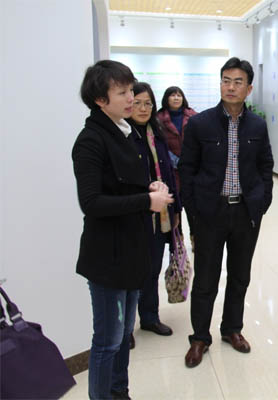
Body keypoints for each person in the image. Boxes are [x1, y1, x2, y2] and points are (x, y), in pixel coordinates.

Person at [73, 60, 174, 399]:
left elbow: (123, 186)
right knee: (108, 341)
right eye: (122, 92)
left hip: (132, 251)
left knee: (123, 338)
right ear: (100, 99)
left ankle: (119, 392)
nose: (131, 98)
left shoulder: (124, 132)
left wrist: (150, 188)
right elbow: (92, 203)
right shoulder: (90, 140)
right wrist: (146, 201)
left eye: (131, 89)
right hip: (108, 257)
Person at [179, 57, 274, 368]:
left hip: (246, 211)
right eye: (226, 80)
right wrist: (193, 211)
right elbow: (187, 169)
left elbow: (265, 165)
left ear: (249, 88)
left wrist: (261, 202)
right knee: (206, 278)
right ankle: (199, 337)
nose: (231, 87)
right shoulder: (200, 124)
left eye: (238, 82)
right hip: (210, 211)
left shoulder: (257, 125)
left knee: (240, 276)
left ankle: (232, 329)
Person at [128, 82, 181, 338]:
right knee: (131, 272)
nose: (142, 108)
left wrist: (176, 208)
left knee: (152, 268)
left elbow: (169, 172)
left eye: (147, 103)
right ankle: (125, 328)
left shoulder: (156, 132)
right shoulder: (123, 136)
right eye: (137, 103)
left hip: (161, 215)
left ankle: (149, 317)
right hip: (133, 215)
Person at [157, 86, 197, 239]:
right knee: (175, 207)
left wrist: (188, 161)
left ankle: (195, 238)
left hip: (191, 169)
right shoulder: (158, 119)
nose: (176, 98)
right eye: (172, 95)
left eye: (179, 95)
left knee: (193, 206)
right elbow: (159, 144)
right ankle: (178, 241)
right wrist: (174, 161)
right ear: (166, 98)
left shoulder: (193, 116)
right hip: (170, 170)